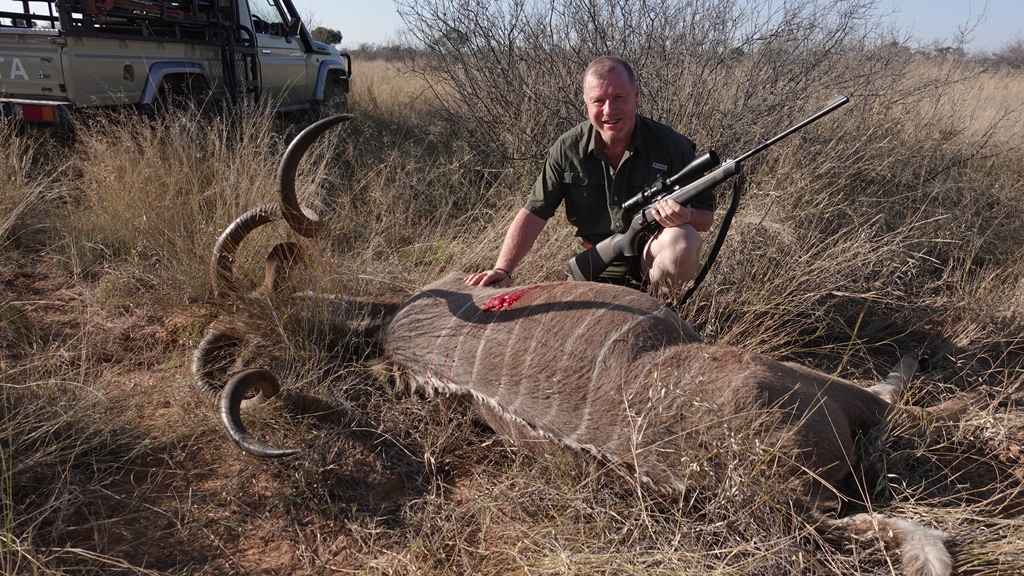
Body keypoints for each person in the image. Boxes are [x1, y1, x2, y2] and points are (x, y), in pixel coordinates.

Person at [463, 56, 715, 299]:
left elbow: (707, 217)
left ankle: (663, 310)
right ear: (586, 103)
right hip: (593, 264)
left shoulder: (672, 145)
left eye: (619, 97)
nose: (609, 110)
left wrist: (686, 216)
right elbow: (534, 212)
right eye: (598, 101)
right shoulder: (567, 148)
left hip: (649, 259)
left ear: (636, 96)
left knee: (683, 239)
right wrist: (503, 269)